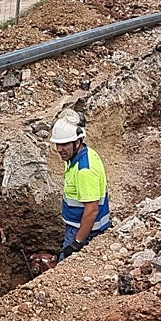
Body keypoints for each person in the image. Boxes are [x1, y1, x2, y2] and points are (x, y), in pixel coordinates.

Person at [49, 110, 110, 260]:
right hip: (81, 227)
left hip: (85, 231)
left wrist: (77, 243)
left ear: (78, 142)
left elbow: (91, 211)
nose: (59, 149)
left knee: (63, 272)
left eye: (64, 145)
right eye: (58, 144)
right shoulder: (80, 155)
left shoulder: (84, 170)